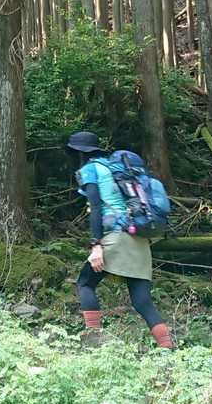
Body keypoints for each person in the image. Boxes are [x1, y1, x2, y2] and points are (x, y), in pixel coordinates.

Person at [68, 130, 174, 349]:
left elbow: (96, 207)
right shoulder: (116, 169)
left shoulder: (91, 169)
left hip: (116, 238)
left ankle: (93, 339)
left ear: (78, 152)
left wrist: (96, 245)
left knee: (85, 283)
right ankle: (168, 348)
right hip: (138, 238)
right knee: (142, 301)